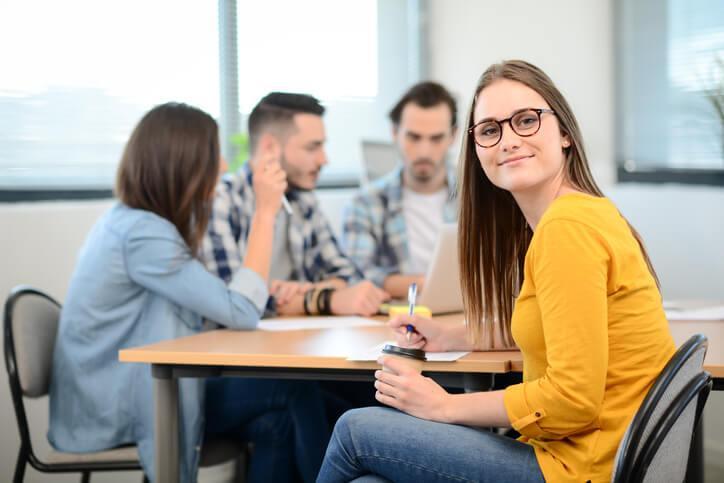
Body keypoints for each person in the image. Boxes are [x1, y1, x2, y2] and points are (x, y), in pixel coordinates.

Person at [317, 60, 677, 483]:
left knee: (354, 430)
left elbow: (572, 399)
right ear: (475, 149)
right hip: (584, 453)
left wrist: (442, 406)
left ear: (564, 133)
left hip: (579, 467)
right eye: (490, 130)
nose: (508, 140)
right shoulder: (578, 215)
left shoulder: (567, 230)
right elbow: (559, 333)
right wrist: (451, 336)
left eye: (526, 120)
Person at [48, 103, 329, 483]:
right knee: (294, 390)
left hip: (132, 387)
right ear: (183, 164)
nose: (225, 166)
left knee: (275, 423)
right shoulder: (144, 236)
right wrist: (265, 212)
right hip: (115, 405)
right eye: (214, 155)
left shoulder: (136, 223)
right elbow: (242, 309)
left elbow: (219, 303)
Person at [203, 92, 389, 317]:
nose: (324, 160)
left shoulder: (303, 200)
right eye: (312, 148)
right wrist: (318, 300)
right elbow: (231, 303)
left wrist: (309, 292)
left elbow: (349, 277)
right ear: (270, 147)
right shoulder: (221, 202)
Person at [342, 82, 458, 299]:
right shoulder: (365, 203)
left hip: (466, 318)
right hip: (393, 321)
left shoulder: (479, 199)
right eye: (414, 137)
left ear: (453, 136)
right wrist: (431, 284)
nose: (424, 151)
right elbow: (354, 276)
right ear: (395, 133)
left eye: (436, 138)